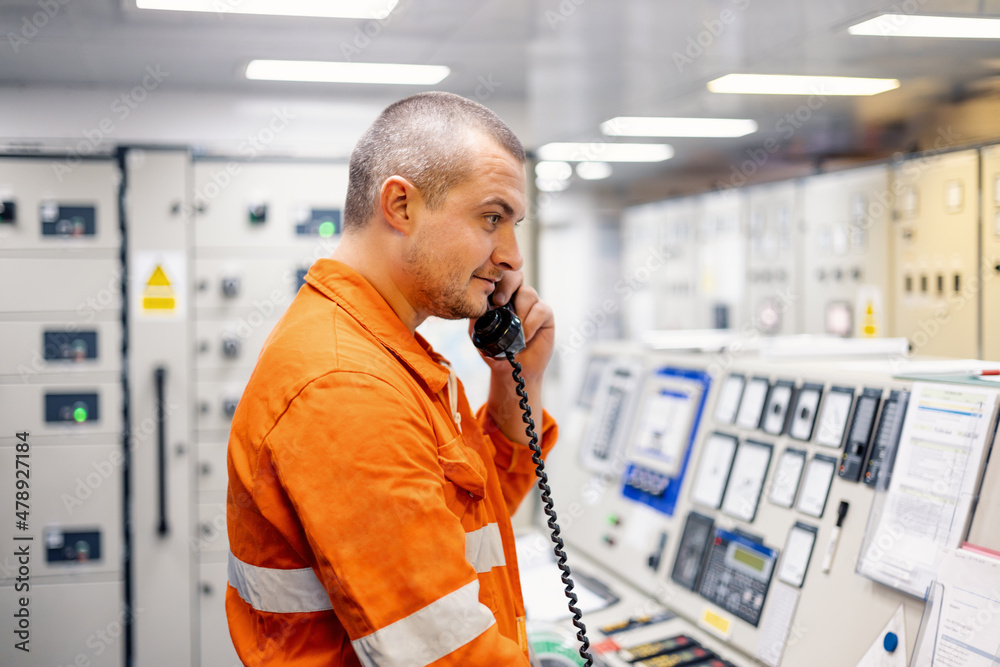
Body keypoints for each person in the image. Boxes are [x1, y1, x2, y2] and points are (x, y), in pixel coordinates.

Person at [226, 91, 557, 666]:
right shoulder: (346, 385)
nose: (511, 257)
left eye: (514, 224)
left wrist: (513, 383)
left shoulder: (386, 352)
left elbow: (459, 524)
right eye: (491, 218)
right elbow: (448, 656)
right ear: (401, 206)